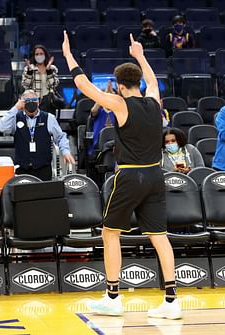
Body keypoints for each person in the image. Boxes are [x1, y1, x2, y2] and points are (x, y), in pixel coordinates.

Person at [63, 31, 182, 319]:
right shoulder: (155, 101)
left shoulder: (119, 104)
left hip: (130, 177)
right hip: (156, 176)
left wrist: (68, 54)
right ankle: (171, 300)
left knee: (109, 233)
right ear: (137, 82)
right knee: (160, 236)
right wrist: (140, 54)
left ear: (118, 85)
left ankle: (113, 296)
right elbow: (153, 82)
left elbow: (83, 84)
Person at [0, 89, 75, 180]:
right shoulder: (15, 117)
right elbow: (2, 128)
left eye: (34, 100)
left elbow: (60, 137)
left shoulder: (48, 118)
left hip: (43, 168)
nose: (31, 103)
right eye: (27, 101)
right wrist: (15, 108)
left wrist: (65, 151)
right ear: (22, 102)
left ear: (38, 102)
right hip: (22, 169)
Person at [21, 44, 60, 114]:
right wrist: (30, 72)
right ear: (34, 56)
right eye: (37, 54)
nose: (39, 56)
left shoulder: (52, 68)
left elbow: (54, 84)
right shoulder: (29, 68)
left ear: (45, 55)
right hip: (33, 101)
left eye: (41, 53)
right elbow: (25, 85)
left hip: (48, 101)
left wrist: (48, 70)